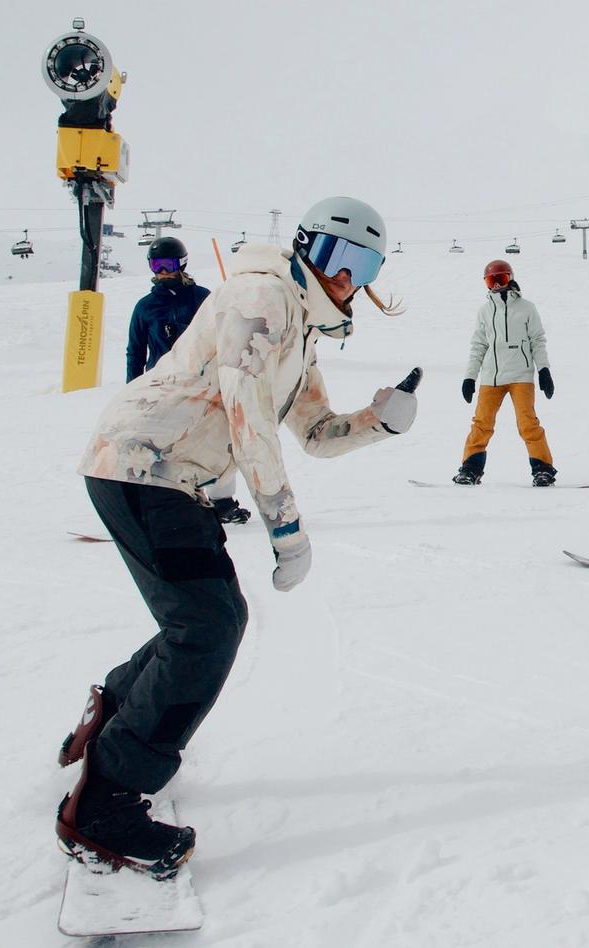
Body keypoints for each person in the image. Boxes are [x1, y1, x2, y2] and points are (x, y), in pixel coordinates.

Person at [55, 196, 420, 877]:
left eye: (365, 264)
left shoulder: (301, 331)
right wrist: (285, 528)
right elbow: (247, 414)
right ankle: (102, 804)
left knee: (207, 620)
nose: (349, 278)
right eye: (341, 257)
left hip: (172, 475)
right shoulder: (262, 297)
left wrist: (378, 421)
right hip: (140, 461)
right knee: (207, 626)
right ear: (309, 246)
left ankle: (115, 708)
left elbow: (313, 433)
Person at [126, 236, 251, 525]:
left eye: (167, 264)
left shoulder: (202, 298)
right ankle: (160, 501)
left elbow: (225, 335)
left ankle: (222, 501)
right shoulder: (145, 307)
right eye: (156, 265)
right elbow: (135, 351)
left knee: (219, 440)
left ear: (181, 264)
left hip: (205, 382)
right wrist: (133, 389)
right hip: (163, 386)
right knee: (160, 446)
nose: (162, 272)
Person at [454, 259, 557, 486]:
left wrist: (544, 370)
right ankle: (470, 470)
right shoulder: (484, 311)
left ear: (510, 279)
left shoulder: (527, 308)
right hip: (491, 377)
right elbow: (478, 345)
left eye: (501, 279)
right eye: (491, 281)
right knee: (481, 424)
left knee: (528, 423)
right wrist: (470, 377)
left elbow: (537, 341)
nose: (497, 286)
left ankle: (543, 469)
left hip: (521, 376)